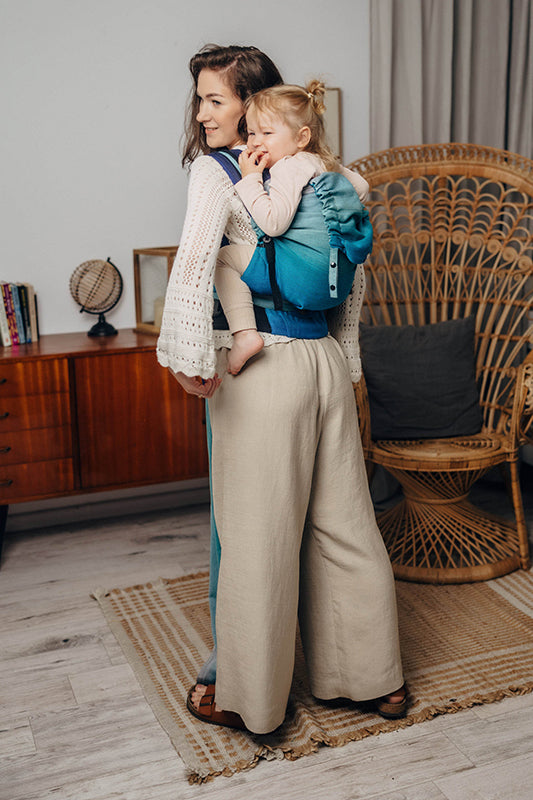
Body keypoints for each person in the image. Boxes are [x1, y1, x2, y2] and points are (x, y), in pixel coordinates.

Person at [157, 43, 406, 735]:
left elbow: (197, 259)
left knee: (257, 539)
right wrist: (346, 362)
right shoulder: (327, 172)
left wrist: (183, 352)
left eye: (215, 100)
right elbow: (348, 277)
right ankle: (374, 679)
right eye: (199, 99)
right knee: (344, 526)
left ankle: (251, 701)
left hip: (263, 367)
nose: (201, 114)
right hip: (322, 361)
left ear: (251, 104)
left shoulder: (220, 172)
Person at [214, 79, 371, 375]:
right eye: (251, 132)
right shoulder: (321, 162)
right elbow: (362, 187)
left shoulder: (288, 166)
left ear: (302, 138)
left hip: (301, 280)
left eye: (267, 133)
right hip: (333, 285)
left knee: (223, 260)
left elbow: (273, 224)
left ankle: (245, 335)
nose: (255, 142)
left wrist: (251, 179)